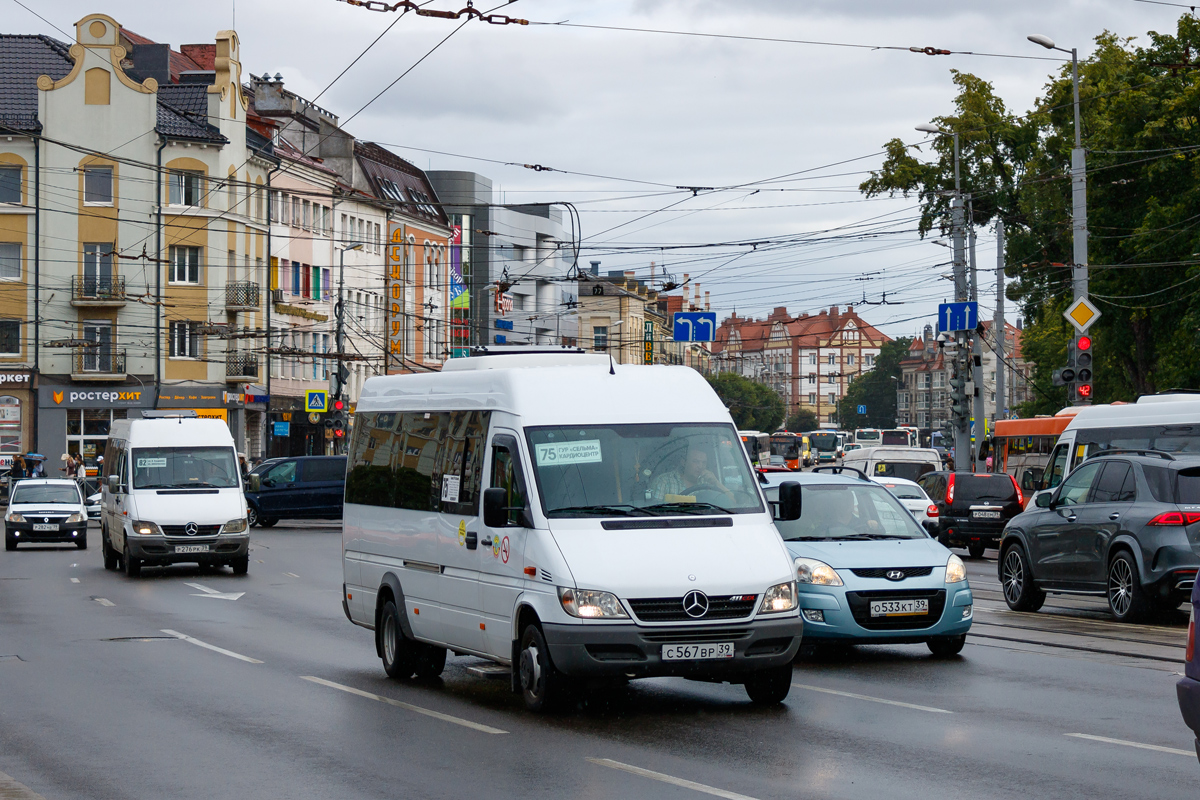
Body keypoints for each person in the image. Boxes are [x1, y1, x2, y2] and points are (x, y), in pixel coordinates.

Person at [650, 446, 735, 502]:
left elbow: (733, 502)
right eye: (696, 462)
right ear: (684, 462)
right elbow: (655, 512)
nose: (700, 466)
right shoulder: (664, 481)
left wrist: (716, 482)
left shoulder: (708, 483)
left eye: (703, 463)